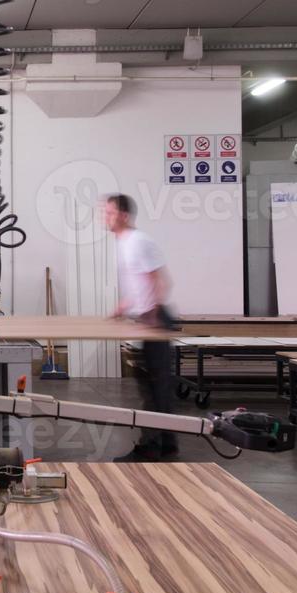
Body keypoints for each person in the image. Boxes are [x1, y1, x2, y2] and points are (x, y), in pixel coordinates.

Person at [102, 193, 179, 460]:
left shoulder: (138, 241)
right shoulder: (124, 243)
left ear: (123, 215)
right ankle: (168, 443)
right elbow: (139, 284)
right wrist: (121, 309)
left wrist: (153, 314)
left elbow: (159, 280)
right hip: (146, 317)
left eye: (109, 212)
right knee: (155, 385)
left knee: (153, 387)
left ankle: (151, 447)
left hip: (154, 319)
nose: (105, 217)